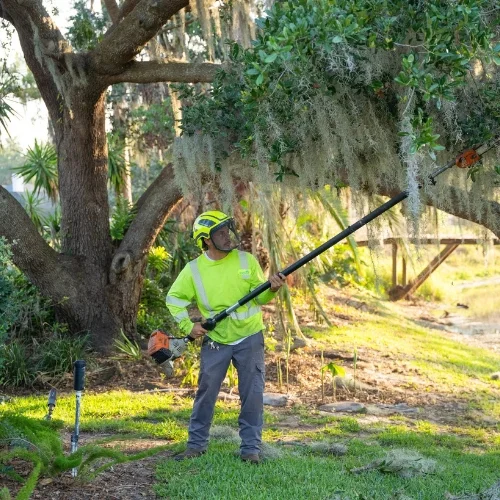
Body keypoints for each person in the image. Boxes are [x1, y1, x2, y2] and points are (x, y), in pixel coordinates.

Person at [166, 210, 286, 464]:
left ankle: (251, 449)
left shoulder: (246, 261)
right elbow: (173, 300)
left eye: (227, 229)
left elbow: (260, 297)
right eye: (219, 232)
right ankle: (196, 445)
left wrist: (272, 290)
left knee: (252, 393)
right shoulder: (194, 270)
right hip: (216, 340)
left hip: (250, 337)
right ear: (206, 240)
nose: (227, 235)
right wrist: (188, 326)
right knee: (207, 391)